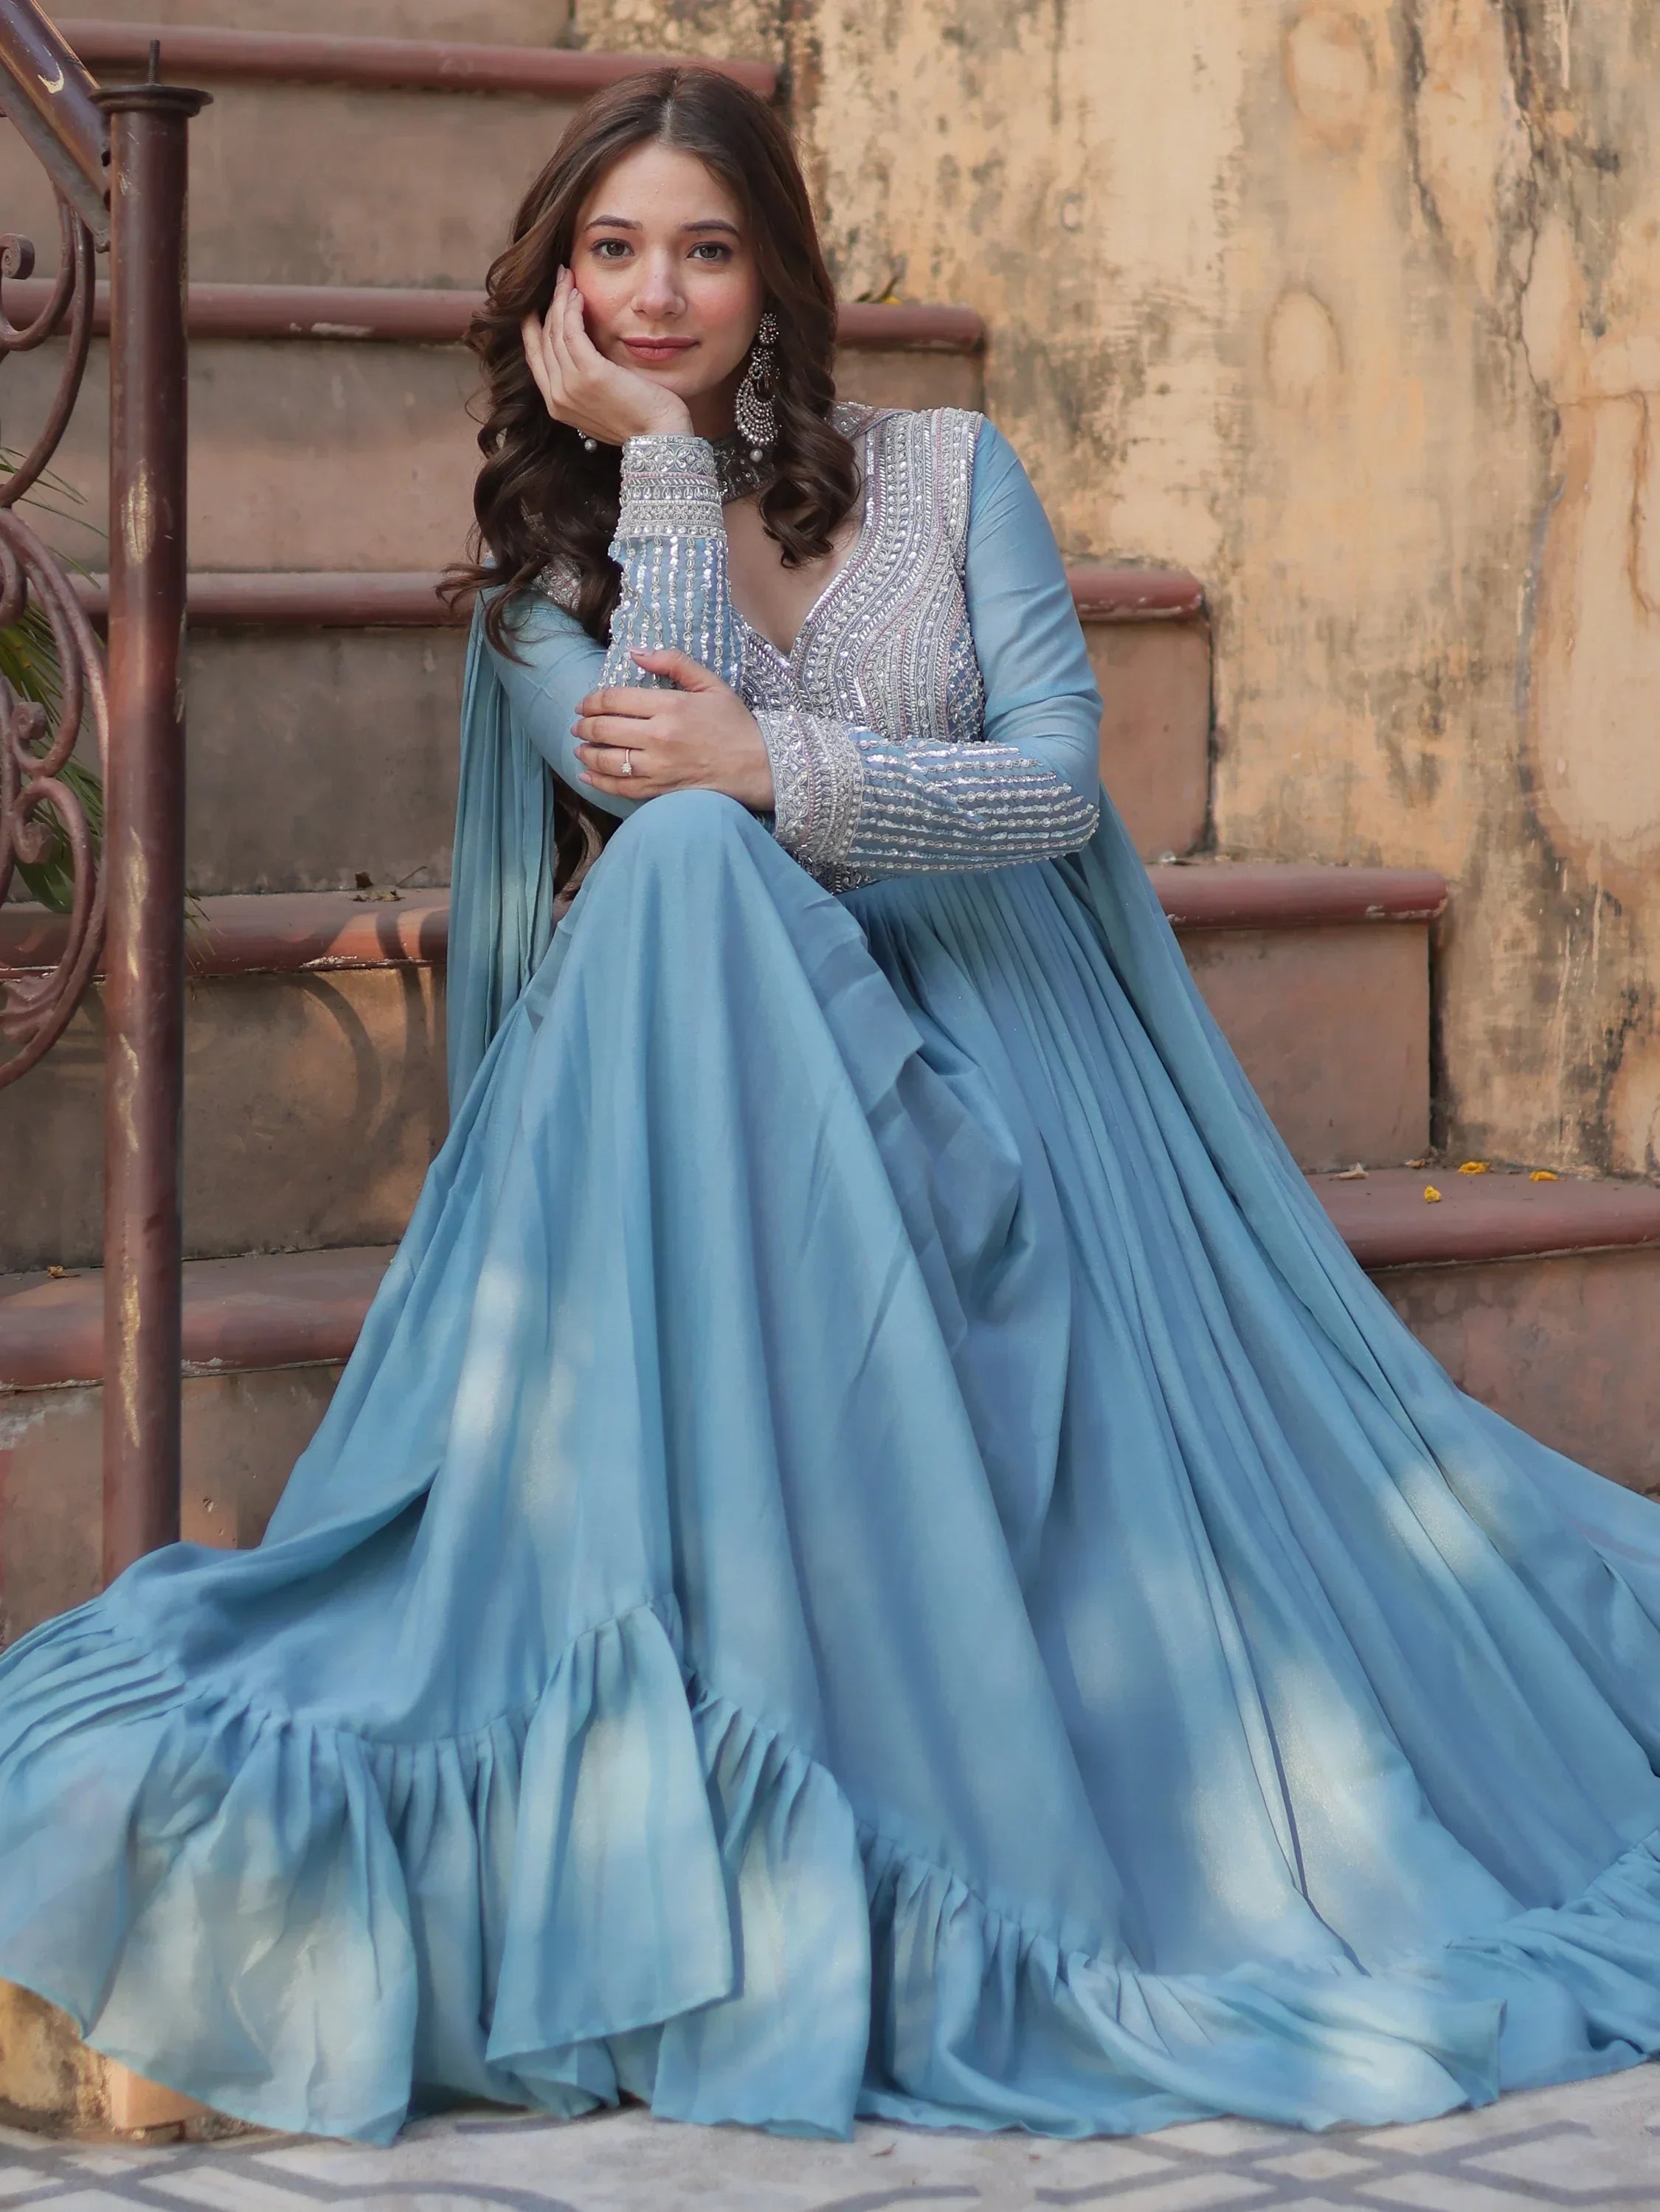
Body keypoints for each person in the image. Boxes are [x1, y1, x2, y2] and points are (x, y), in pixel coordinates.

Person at [5, 64, 1660, 2153]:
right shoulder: (543, 583)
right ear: (552, 292)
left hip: (1008, 1065)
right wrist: (666, 493)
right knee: (686, 874)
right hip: (729, 1105)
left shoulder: (954, 477)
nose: (656, 293)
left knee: (713, 843)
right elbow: (649, 786)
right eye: (611, 252)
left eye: (702, 248)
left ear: (776, 274)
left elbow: (1053, 788)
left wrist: (784, 772)